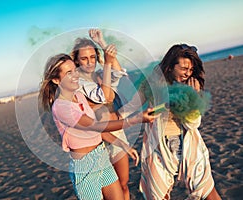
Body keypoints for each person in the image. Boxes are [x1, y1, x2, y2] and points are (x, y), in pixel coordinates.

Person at [39, 53, 157, 200]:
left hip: (101, 157)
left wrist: (122, 145)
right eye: (69, 73)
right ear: (56, 80)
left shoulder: (80, 97)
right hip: (85, 167)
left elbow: (97, 132)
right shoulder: (61, 107)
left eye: (75, 70)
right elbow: (95, 126)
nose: (75, 75)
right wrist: (136, 119)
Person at [119, 44, 221, 199]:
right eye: (183, 69)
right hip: (159, 148)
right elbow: (132, 106)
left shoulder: (191, 85)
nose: (188, 73)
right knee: (159, 196)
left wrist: (193, 97)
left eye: (191, 70)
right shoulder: (151, 84)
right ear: (170, 66)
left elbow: (193, 125)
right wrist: (111, 118)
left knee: (208, 193)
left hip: (188, 145)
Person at [70, 29, 133, 200]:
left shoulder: (100, 75)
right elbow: (104, 96)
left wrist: (103, 45)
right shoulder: (78, 84)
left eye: (92, 57)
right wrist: (108, 61)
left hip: (117, 132)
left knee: (123, 184)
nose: (89, 62)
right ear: (75, 60)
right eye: (84, 58)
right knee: (109, 192)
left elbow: (120, 75)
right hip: (99, 140)